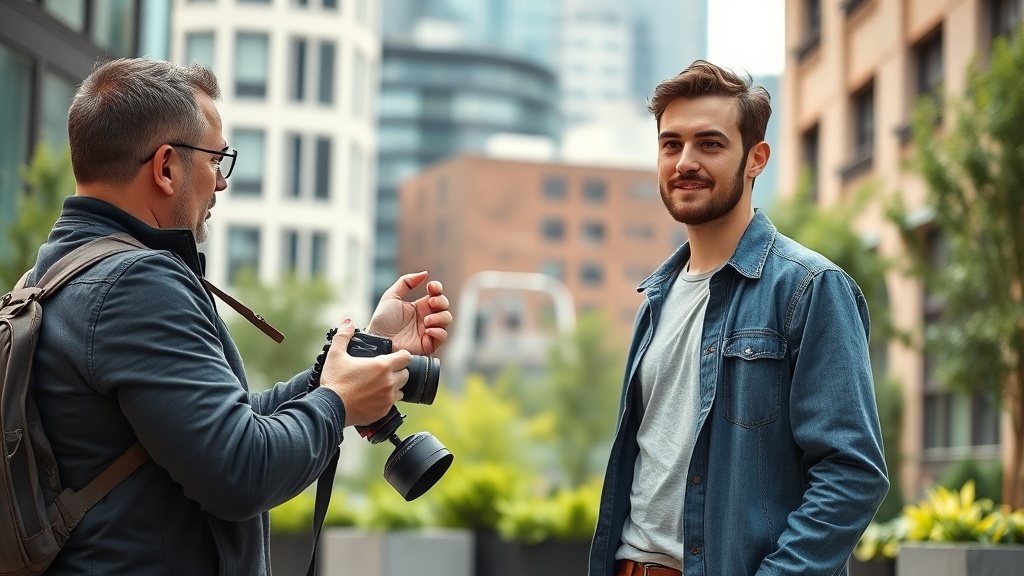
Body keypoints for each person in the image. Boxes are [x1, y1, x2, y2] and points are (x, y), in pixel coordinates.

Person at [27, 58, 452, 575]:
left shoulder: (57, 275)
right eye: (215, 159)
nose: (221, 185)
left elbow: (223, 425)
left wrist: (358, 357)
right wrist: (337, 404)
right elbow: (240, 469)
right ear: (165, 167)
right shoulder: (133, 287)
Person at [588, 60, 889, 576]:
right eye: (670, 144)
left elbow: (852, 473)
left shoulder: (809, 288)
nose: (685, 161)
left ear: (756, 158)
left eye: (710, 144)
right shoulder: (655, 299)